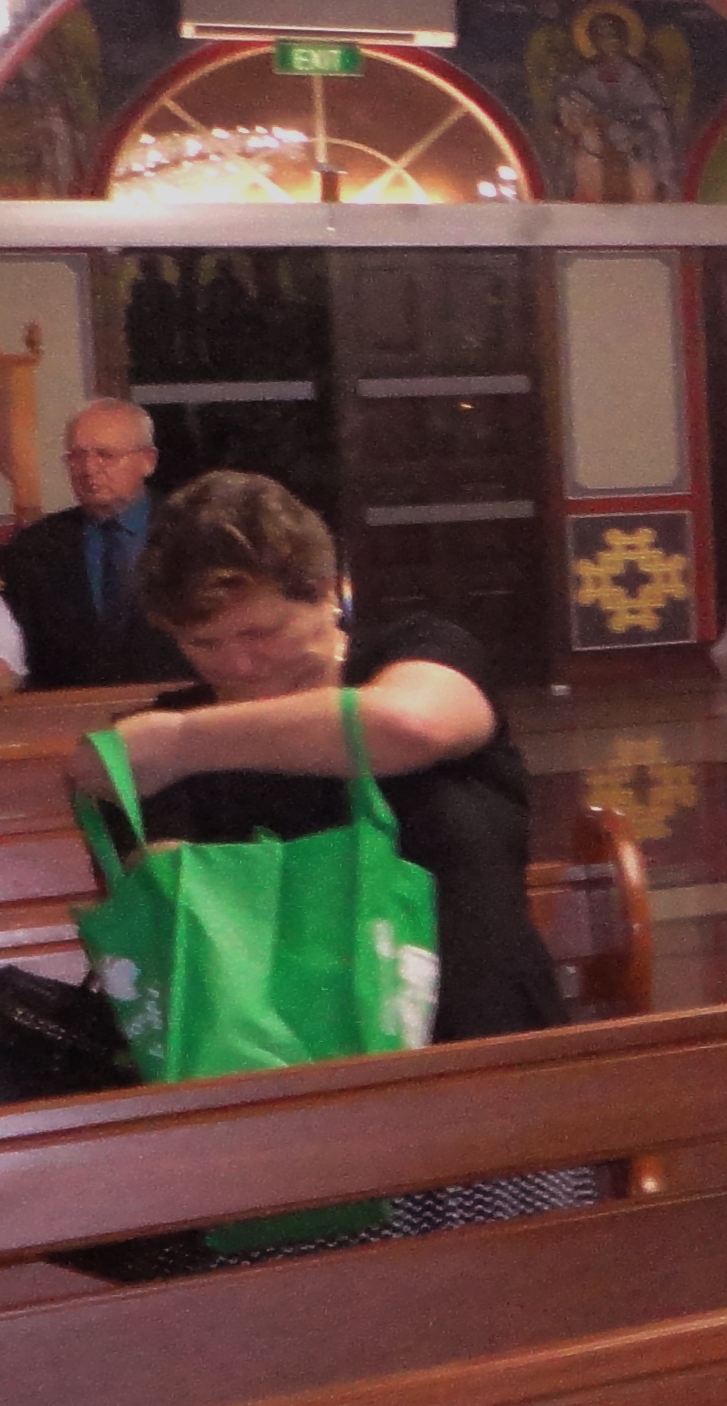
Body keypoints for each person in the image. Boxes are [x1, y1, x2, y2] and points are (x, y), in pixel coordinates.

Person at [116, 470, 570, 1130]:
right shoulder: (148, 746)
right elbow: (181, 929)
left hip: (487, 1066)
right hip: (281, 1107)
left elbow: (411, 727)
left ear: (328, 592)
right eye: (202, 643)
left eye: (260, 632)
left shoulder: (420, 657)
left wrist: (184, 741)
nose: (236, 666)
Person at [5, 399, 185, 691]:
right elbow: (20, 653)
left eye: (105, 455)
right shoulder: (34, 547)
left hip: (180, 704)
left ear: (148, 461)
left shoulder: (192, 532)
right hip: (68, 709)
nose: (88, 469)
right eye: (76, 457)